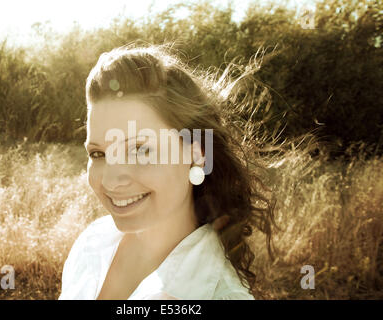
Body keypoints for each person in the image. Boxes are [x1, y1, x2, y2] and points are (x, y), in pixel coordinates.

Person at [58, 43, 277, 300]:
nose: (111, 180)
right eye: (98, 154)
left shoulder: (220, 295)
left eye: (139, 150)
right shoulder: (92, 243)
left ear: (197, 153)